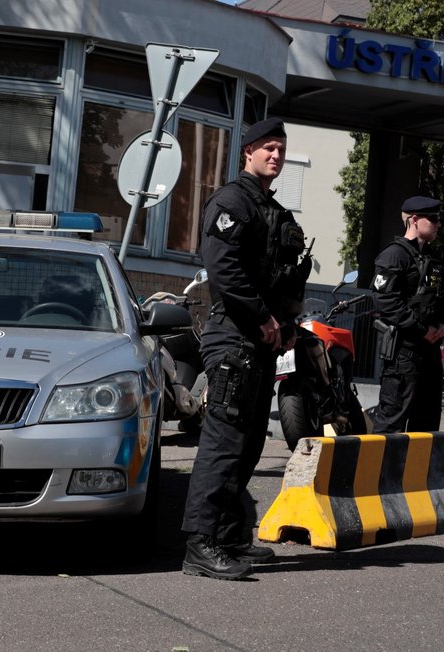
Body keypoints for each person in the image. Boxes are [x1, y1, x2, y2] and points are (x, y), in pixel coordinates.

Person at [180, 117, 311, 581]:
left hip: (260, 339)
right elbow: (224, 270)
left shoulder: (269, 208)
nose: (275, 155)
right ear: (248, 152)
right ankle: (201, 544)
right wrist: (261, 317)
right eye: (268, 148)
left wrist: (287, 324)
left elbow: (277, 277)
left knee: (250, 440)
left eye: (281, 149)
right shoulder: (232, 202)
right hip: (234, 335)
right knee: (223, 442)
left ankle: (232, 536)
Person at [370, 195, 444, 433]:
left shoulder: (433, 259)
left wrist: (443, 325)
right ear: (414, 220)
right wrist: (422, 329)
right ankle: (382, 471)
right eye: (433, 219)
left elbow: (443, 300)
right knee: (392, 420)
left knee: (426, 424)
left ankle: (416, 472)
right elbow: (386, 301)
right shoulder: (394, 255)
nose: (438, 224)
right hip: (403, 353)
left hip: (430, 352)